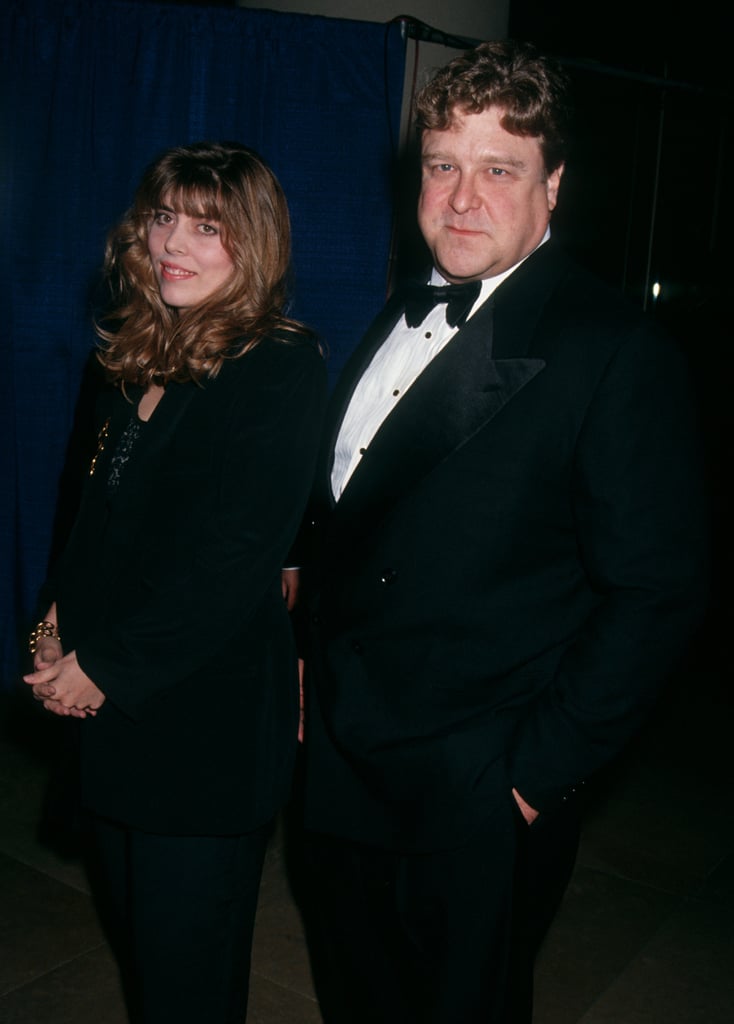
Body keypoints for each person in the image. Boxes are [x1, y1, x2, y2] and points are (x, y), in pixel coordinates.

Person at [298, 40, 709, 1024]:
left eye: (499, 168)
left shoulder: (610, 349)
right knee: (357, 996)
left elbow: (656, 590)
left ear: (551, 188)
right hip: (341, 761)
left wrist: (531, 774)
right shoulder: (392, 311)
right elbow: (350, 517)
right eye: (443, 164)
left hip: (471, 784)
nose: (462, 197)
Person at [23, 141, 327, 1023]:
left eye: (206, 226)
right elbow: (88, 526)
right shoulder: (129, 355)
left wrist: (103, 666)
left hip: (206, 731)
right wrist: (52, 626)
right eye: (163, 218)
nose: (172, 245)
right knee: (138, 942)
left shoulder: (279, 364)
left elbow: (232, 563)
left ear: (254, 245)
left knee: (186, 976)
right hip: (118, 719)